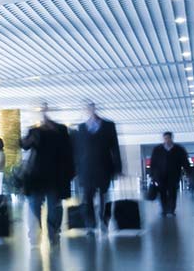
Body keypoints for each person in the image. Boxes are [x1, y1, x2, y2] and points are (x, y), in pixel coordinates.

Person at [19, 104, 75, 244]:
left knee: (53, 208)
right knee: (35, 205)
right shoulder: (34, 131)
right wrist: (28, 138)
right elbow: (24, 145)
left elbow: (69, 152)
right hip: (36, 177)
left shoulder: (61, 130)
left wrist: (70, 174)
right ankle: (36, 235)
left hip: (55, 177)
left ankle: (53, 234)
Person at [71, 102, 121, 233]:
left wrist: (118, 168)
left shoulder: (108, 126)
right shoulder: (81, 127)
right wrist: (75, 169)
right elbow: (77, 151)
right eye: (87, 109)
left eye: (91, 108)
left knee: (104, 196)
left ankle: (104, 220)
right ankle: (90, 224)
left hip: (104, 168)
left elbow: (115, 147)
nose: (89, 111)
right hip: (87, 169)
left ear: (94, 109)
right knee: (88, 198)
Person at [148, 131, 191, 217]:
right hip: (160, 176)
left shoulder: (179, 149)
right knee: (162, 193)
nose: (167, 140)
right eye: (165, 138)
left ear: (171, 138)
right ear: (163, 139)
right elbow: (153, 163)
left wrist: (188, 172)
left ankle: (171, 209)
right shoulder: (157, 150)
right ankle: (164, 209)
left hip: (174, 175)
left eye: (168, 138)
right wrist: (152, 174)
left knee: (172, 192)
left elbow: (185, 162)